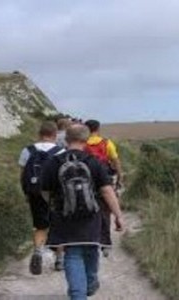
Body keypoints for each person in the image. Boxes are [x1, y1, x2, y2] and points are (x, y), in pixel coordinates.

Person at [41, 124, 124, 299]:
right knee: (91, 249)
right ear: (86, 140)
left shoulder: (54, 162)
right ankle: (91, 283)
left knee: (72, 254)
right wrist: (118, 215)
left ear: (65, 139)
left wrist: (55, 204)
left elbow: (45, 190)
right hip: (91, 216)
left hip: (64, 216)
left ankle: (78, 295)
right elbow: (107, 191)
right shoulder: (93, 162)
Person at [18, 121, 65, 275]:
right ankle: (59, 260)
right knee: (58, 225)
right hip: (54, 194)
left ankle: (38, 251)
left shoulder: (27, 150)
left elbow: (22, 174)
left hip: (34, 192)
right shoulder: (60, 151)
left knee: (40, 226)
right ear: (55, 134)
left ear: (39, 134)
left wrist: (26, 192)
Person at [84, 119, 124, 256]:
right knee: (106, 211)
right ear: (98, 129)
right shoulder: (107, 143)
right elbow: (115, 160)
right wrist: (120, 176)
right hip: (104, 179)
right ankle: (105, 243)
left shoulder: (83, 144)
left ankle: (90, 239)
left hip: (86, 181)